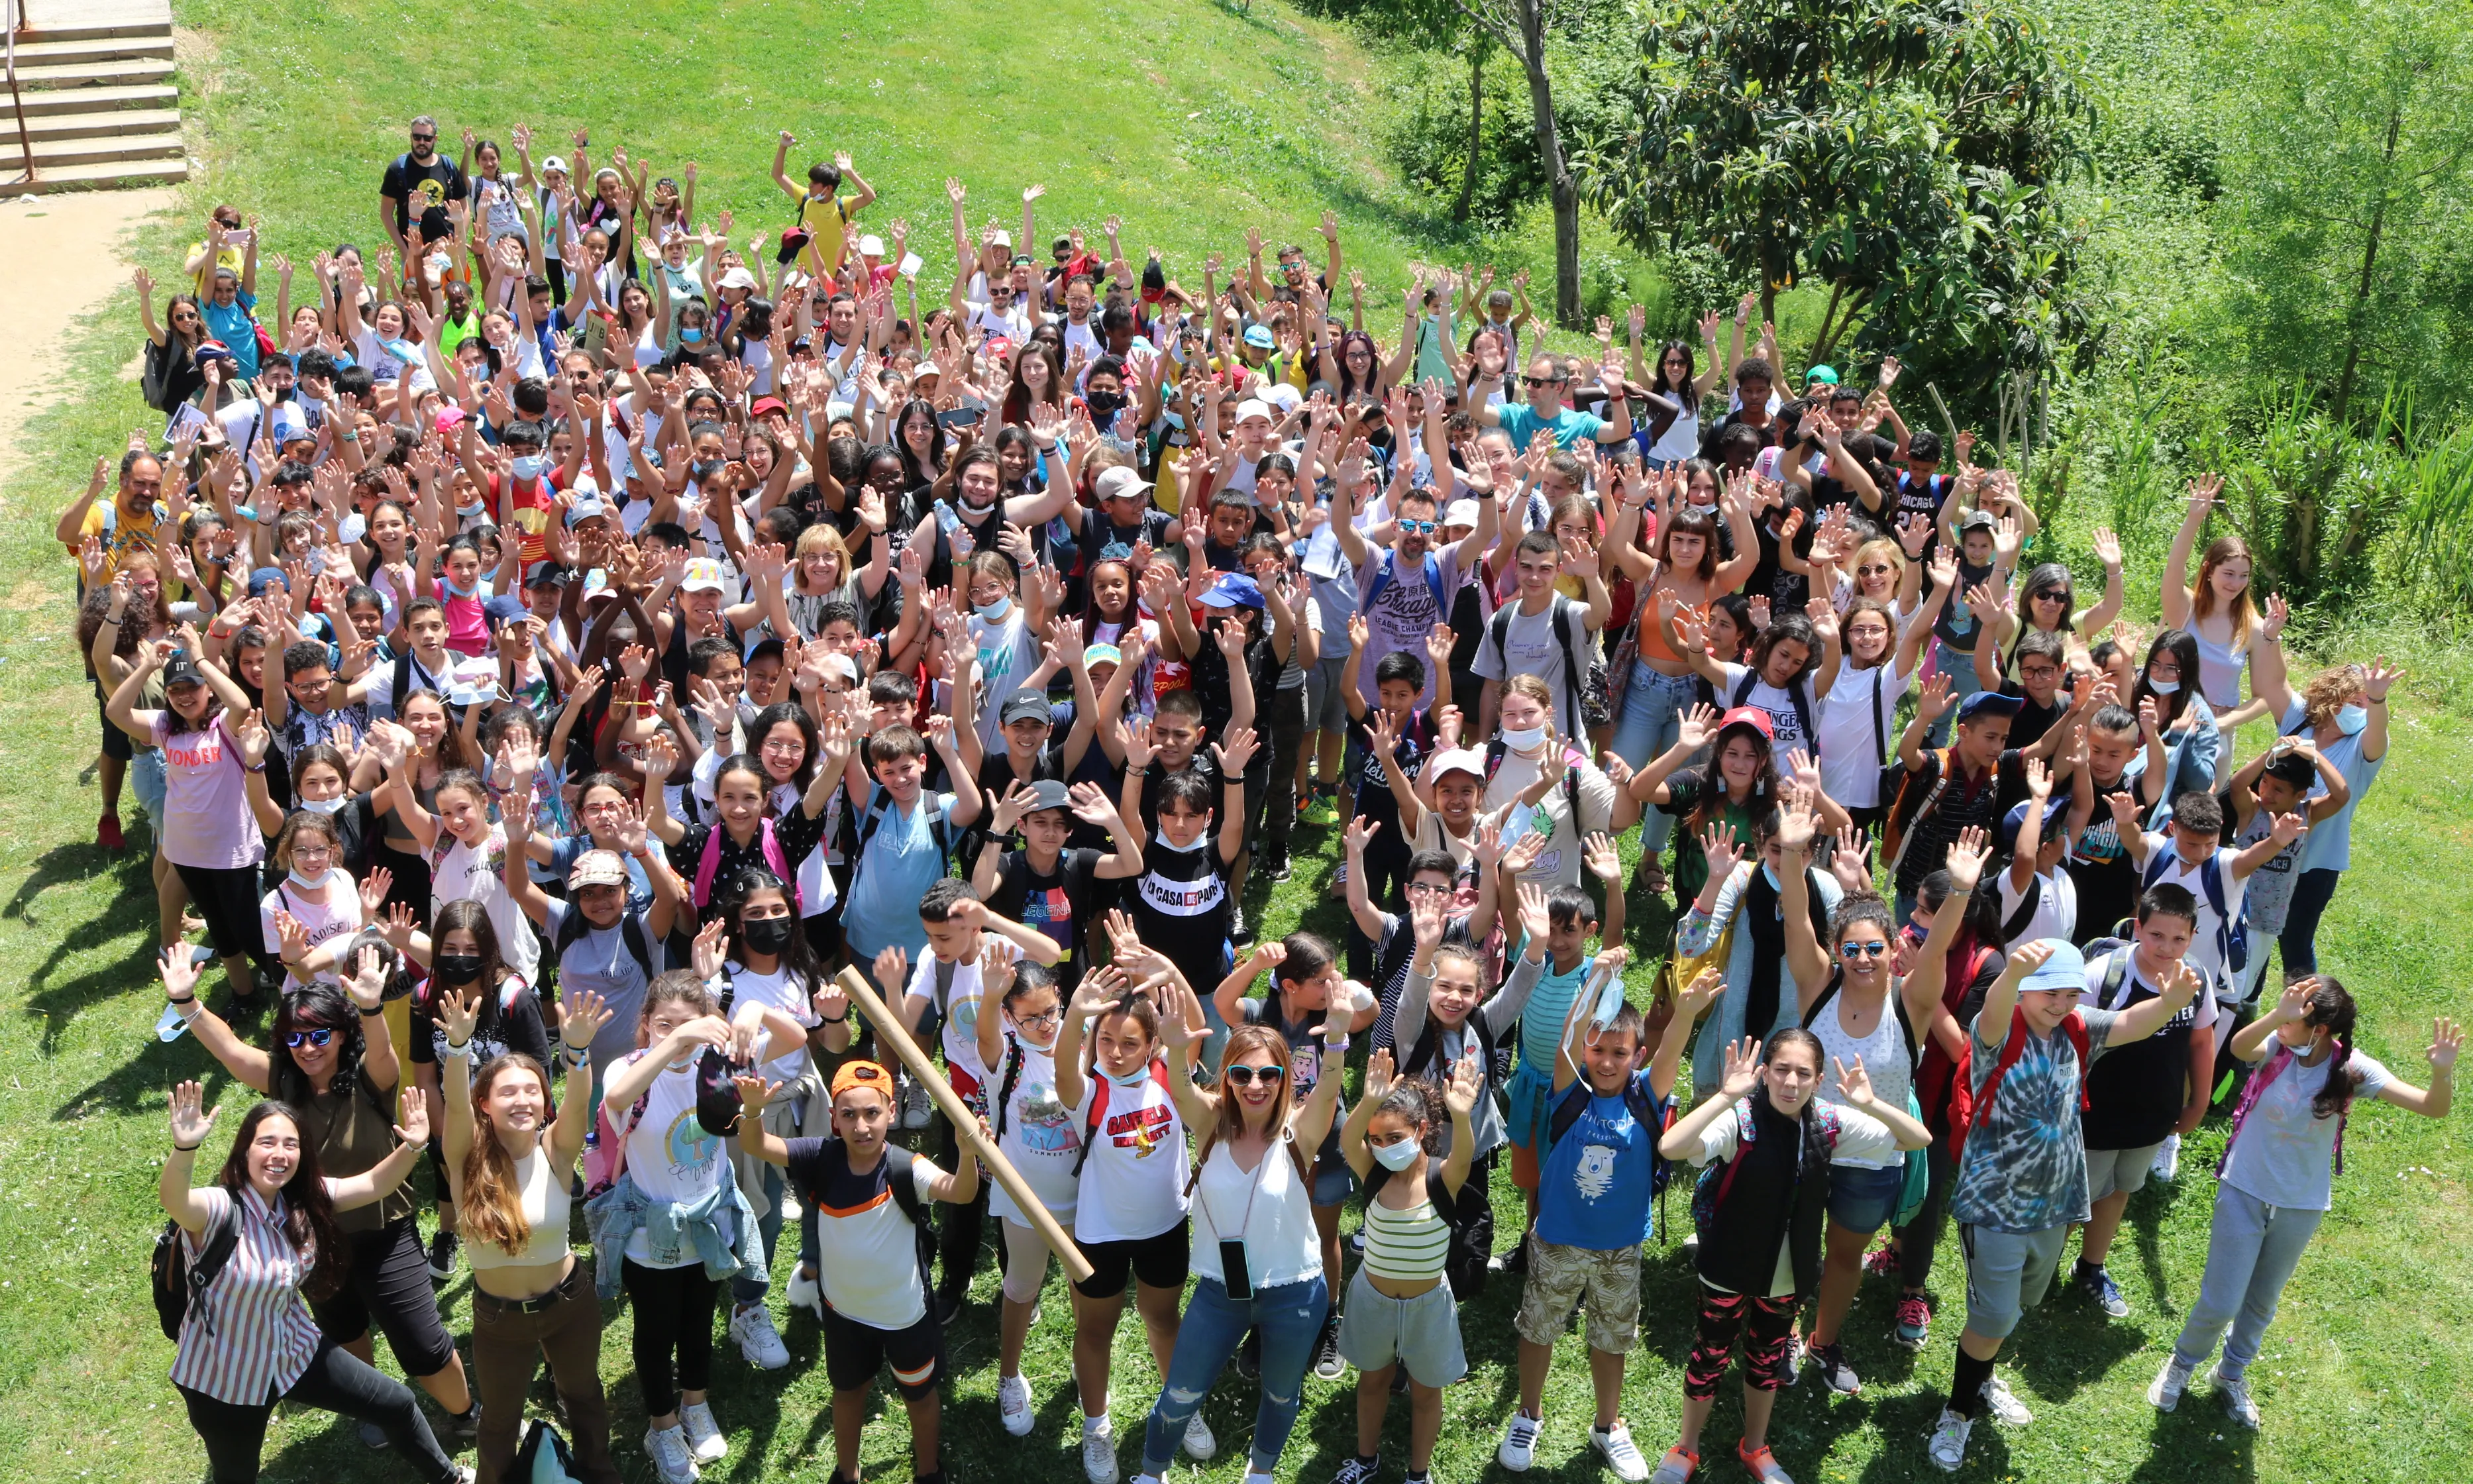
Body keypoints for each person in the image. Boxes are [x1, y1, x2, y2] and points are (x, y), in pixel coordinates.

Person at [163, 942, 479, 1447]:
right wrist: (187, 1004)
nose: (307, 1048)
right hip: (311, 1239)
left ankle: (467, 1412)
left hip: (384, 1233)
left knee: (421, 1343)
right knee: (345, 1325)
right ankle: (373, 1405)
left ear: (340, 1034)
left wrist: (371, 1006)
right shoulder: (283, 1082)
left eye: (319, 1035)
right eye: (295, 1038)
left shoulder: (369, 1080)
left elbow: (381, 1052)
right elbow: (230, 1050)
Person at [1922, 938, 2203, 1472]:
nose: (2061, 1002)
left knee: (2014, 1310)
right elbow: (1991, 1013)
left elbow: (2128, 1026)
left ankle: (1979, 1380)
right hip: (1994, 1207)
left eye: (2071, 992)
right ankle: (1957, 1412)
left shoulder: (2076, 1029)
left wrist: (2169, 1004)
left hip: (2056, 1204)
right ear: (2027, 989)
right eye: (2050, 991)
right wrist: (2010, 978)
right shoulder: (1998, 1034)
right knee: (1994, 1315)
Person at [2149, 979, 2456, 1428]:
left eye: (2295, 1015)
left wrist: (2441, 1072)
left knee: (2261, 1302)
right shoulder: (2275, 1043)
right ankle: (2181, 1365)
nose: (2285, 1019)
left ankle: (2230, 1374)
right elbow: (2238, 1046)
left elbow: (2432, 1107)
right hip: (2245, 1187)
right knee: (2221, 1301)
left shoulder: (2353, 1069)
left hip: (2300, 1204)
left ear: (2320, 1028)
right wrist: (2277, 1016)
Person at [1656, 1030, 1932, 1484]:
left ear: (1818, 1079)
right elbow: (1671, 1147)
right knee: (1709, 1356)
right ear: (1763, 1073)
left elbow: (1917, 1139)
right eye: (1781, 1070)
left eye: (1803, 1073)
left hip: (1788, 1277)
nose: (1790, 1082)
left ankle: (1755, 1447)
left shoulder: (1828, 1122)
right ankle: (1685, 1449)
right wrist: (1725, 1096)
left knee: (1766, 1361)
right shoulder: (1740, 1119)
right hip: (1728, 1268)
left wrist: (1868, 1102)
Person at [158, 1080, 461, 1484]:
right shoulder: (218, 1209)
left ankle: (451, 1480)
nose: (279, 1154)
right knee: (236, 1477)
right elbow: (176, 1201)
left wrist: (415, 1145)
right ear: (245, 1150)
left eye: (291, 1144)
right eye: (267, 1142)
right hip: (224, 1377)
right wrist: (184, 1150)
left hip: (294, 1350)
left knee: (397, 1403)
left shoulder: (303, 1201)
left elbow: (375, 1185)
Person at [1120, 978, 1349, 1484]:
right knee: (1179, 1392)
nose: (1255, 1085)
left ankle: (1260, 1471)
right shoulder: (1209, 1125)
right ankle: (1150, 1473)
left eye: (1268, 1074)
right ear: (1227, 1077)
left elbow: (1329, 1087)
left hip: (1295, 1292)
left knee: (1281, 1393)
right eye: (1242, 1073)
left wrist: (1335, 1040)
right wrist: (1177, 1049)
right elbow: (1179, 1087)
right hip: (1220, 1291)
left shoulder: (1299, 1130)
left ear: (1283, 1077)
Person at [1772, 798, 1963, 1397]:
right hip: (1805, 1148)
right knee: (1790, 1251)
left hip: (1873, 1160)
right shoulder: (1817, 985)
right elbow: (1796, 916)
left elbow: (1937, 950)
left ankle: (1823, 1342)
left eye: (1873, 949)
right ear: (1838, 951)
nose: (1861, 959)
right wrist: (1797, 855)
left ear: (1891, 951)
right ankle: (1780, 1337)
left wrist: (1956, 891)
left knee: (1844, 1257)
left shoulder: (1911, 1002)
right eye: (1850, 949)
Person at [735, 1055, 983, 1484]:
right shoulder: (820, 1156)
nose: (861, 1126)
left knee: (919, 1397)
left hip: (905, 1315)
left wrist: (966, 1155)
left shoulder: (907, 1168)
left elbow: (960, 1193)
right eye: (848, 1115)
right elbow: (756, 1146)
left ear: (892, 1112)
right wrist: (754, 1110)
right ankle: (846, 1472)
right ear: (833, 1119)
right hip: (844, 1314)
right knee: (848, 1394)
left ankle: (928, 1472)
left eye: (872, 1113)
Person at [584, 971, 776, 1484]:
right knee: (655, 1330)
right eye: (662, 1024)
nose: (675, 1035)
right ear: (644, 1026)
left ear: (709, 1024)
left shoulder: (716, 1066)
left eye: (687, 1025)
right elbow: (618, 1098)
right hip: (651, 1235)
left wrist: (752, 1014)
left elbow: (797, 1035)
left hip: (708, 1226)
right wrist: (677, 1038)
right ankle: (662, 1426)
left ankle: (695, 1404)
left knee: (697, 1323)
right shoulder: (626, 1069)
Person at [437, 986, 623, 1484]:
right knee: (498, 1422)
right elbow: (453, 1107)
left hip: (568, 1303)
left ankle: (598, 1474)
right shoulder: (463, 1157)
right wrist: (458, 1049)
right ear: (485, 1104)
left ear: (545, 1102)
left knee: (583, 1395)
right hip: (499, 1320)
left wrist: (578, 1054)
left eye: (532, 1091)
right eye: (507, 1092)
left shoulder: (556, 1150)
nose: (522, 1100)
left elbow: (580, 1105)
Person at [1494, 945, 1650, 1480]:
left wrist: (1690, 1010)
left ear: (1636, 1055)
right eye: (1597, 1049)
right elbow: (1569, 1035)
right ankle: (1527, 1415)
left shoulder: (1643, 1099)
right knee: (1537, 1329)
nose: (1606, 1061)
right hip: (1557, 1240)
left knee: (1611, 1339)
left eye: (1619, 1052)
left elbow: (1667, 1050)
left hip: (1620, 1247)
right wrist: (1597, 979)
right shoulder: (1568, 1093)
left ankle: (1608, 1425)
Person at [1210, 931, 1379, 1379]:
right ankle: (1264, 1327)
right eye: (1321, 980)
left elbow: (1371, 1012)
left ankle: (1328, 1321)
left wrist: (1344, 994)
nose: (1330, 987)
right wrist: (1252, 967)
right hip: (1268, 1150)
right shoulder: (1259, 1017)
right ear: (1289, 985)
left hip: (1325, 1144)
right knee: (1268, 1234)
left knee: (1324, 1235)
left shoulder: (1330, 1014)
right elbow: (1225, 1004)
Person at [1053, 969, 1198, 1484]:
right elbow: (1062, 1065)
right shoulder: (1087, 1090)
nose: (1115, 1052)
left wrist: (1161, 966)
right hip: (1100, 1234)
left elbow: (1193, 1026)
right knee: (1096, 1330)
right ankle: (1097, 1428)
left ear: (1152, 1044)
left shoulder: (1170, 1078)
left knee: (1163, 1320)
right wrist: (1076, 1014)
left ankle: (1182, 1407)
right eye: (1106, 1039)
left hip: (1165, 1227)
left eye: (1129, 1043)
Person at [1328, 1045, 1486, 1484]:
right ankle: (1366, 1459)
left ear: (1419, 1131)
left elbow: (1463, 1154)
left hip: (1426, 1308)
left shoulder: (1442, 1177)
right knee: (1372, 1382)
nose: (1381, 1147)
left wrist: (1461, 1115)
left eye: (1394, 1138)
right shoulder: (1373, 1174)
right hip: (1373, 1301)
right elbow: (1347, 1139)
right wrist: (1369, 1100)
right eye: (1375, 1140)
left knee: (1425, 1393)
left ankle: (1419, 1473)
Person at [2068, 885, 2213, 1318]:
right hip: (2092, 1116)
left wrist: (2197, 1104)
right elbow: (2070, 1041)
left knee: (2117, 1191)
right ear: (2136, 929)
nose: (2166, 948)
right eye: (2155, 936)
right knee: (2073, 1201)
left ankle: (2090, 1268)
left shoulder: (2196, 979)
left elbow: (2202, 1044)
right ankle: (2034, 1273)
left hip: (2152, 1116)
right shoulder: (2102, 976)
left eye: (2178, 939)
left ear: (2191, 937)